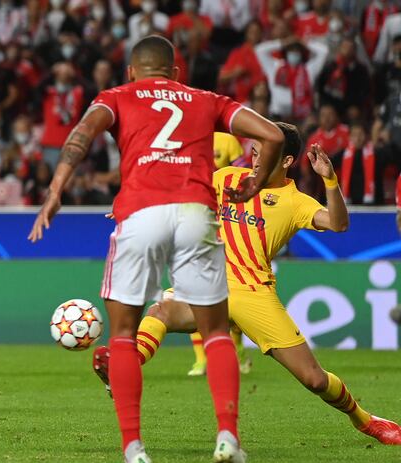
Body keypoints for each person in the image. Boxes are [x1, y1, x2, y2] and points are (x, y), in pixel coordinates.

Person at [28, 35, 285, 463]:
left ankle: (134, 451)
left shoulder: (116, 97)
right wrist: (256, 181)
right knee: (217, 331)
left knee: (124, 335)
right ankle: (227, 438)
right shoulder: (206, 99)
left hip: (140, 213)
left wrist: (55, 190)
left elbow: (80, 136)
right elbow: (274, 134)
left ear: (131, 71)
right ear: (175, 73)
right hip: (195, 212)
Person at [92, 123, 401, 446]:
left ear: (285, 162)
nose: (255, 160)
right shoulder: (226, 178)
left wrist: (329, 180)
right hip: (208, 282)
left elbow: (339, 223)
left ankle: (366, 421)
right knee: (162, 311)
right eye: (254, 152)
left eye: (265, 154)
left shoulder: (295, 201)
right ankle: (122, 368)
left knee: (314, 379)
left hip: (254, 293)